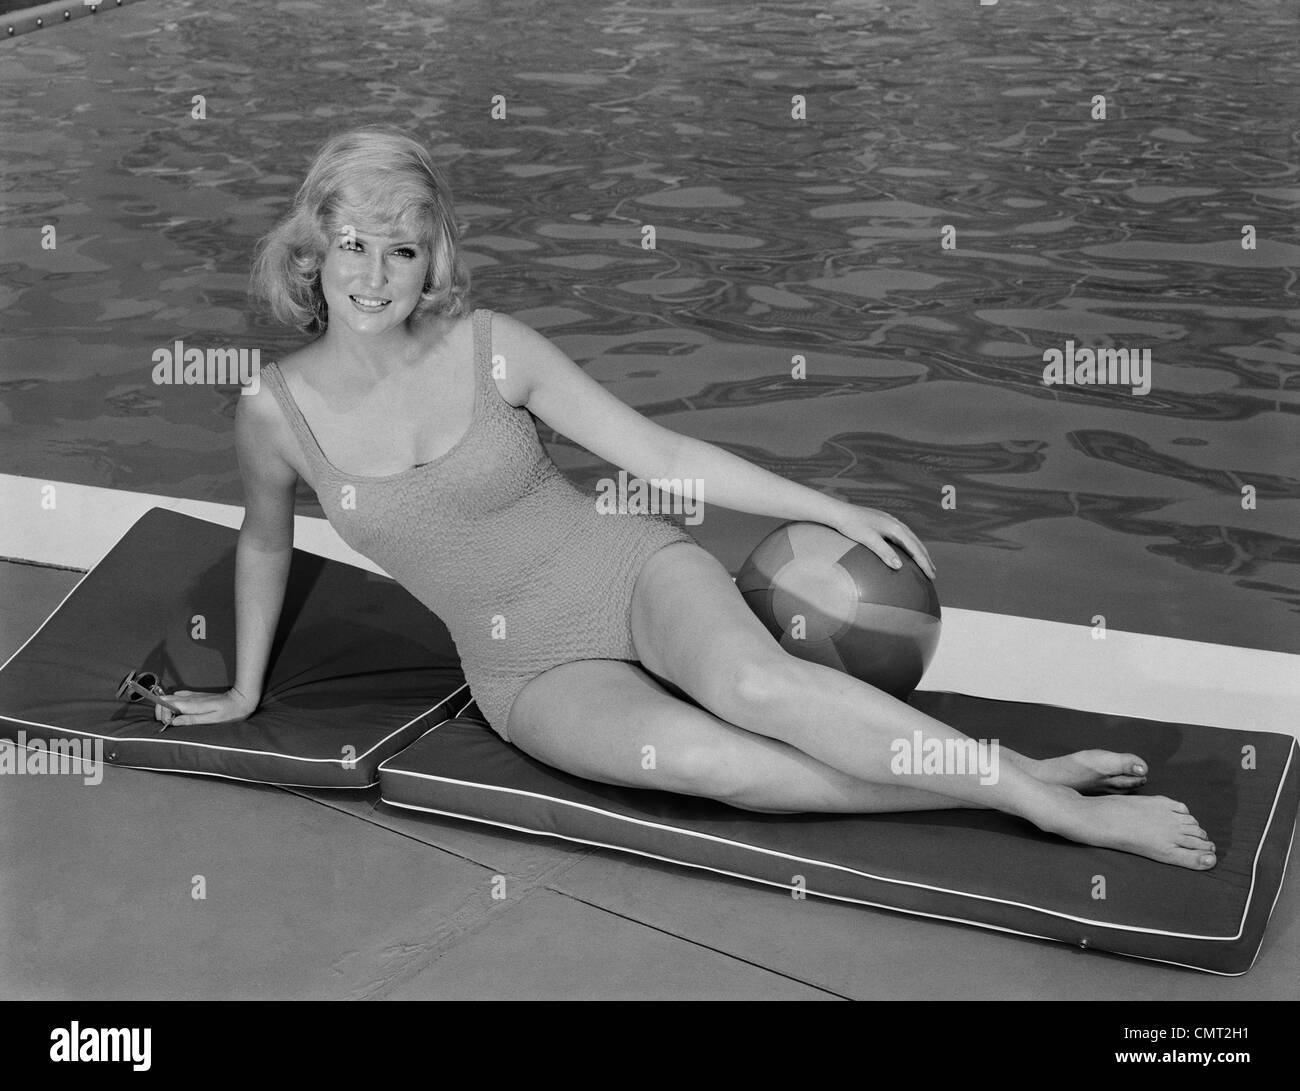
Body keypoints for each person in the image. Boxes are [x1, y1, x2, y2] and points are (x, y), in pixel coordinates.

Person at [158, 126, 1216, 871]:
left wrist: (832, 508)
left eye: (404, 247)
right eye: (354, 244)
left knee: (755, 686)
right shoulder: (272, 411)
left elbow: (661, 455)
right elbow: (262, 543)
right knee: (720, 765)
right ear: (313, 246)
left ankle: (1058, 815)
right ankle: (1018, 773)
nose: (377, 273)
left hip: (626, 571)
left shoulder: (492, 350)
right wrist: (246, 690)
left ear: (433, 255)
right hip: (525, 666)